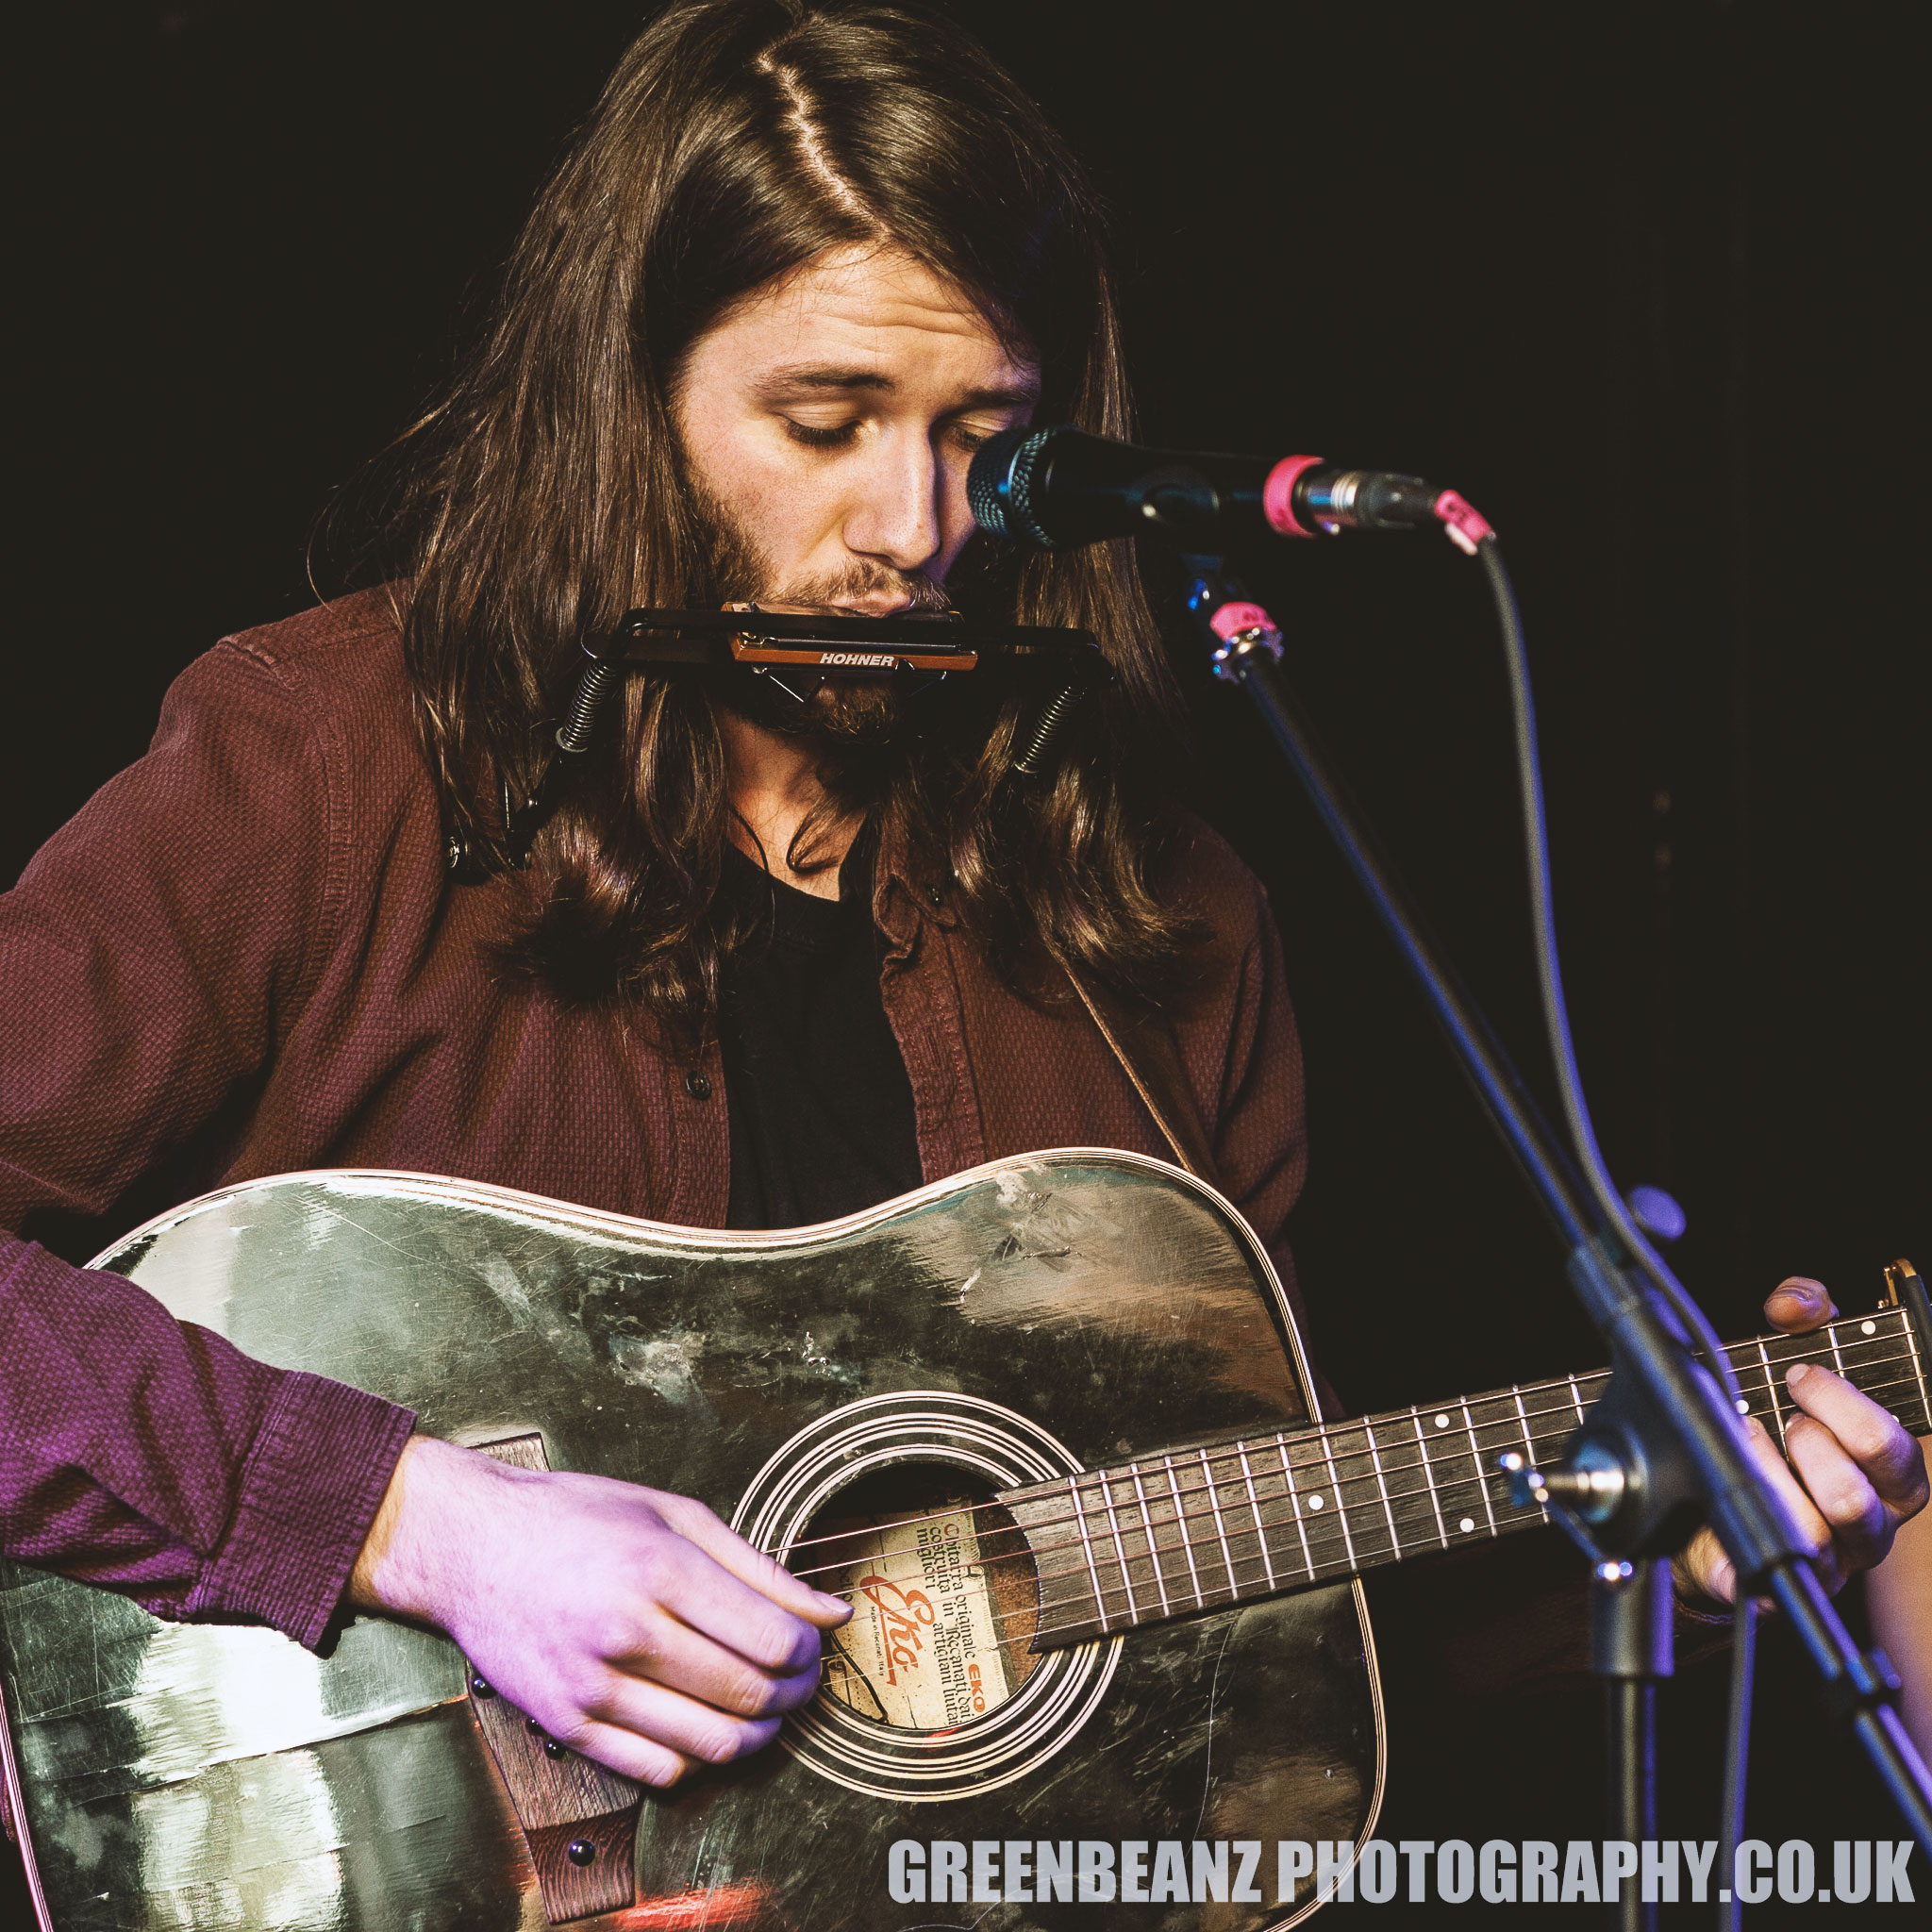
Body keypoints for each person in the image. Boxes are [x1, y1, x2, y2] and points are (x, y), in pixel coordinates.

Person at [1, 0, 1924, 1812]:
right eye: (824, 423)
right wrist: (422, 1520)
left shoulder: (1159, 925)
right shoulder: (327, 765)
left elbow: (1243, 1652)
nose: (912, 534)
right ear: (631, 403)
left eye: (979, 447)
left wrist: (1651, 1559)